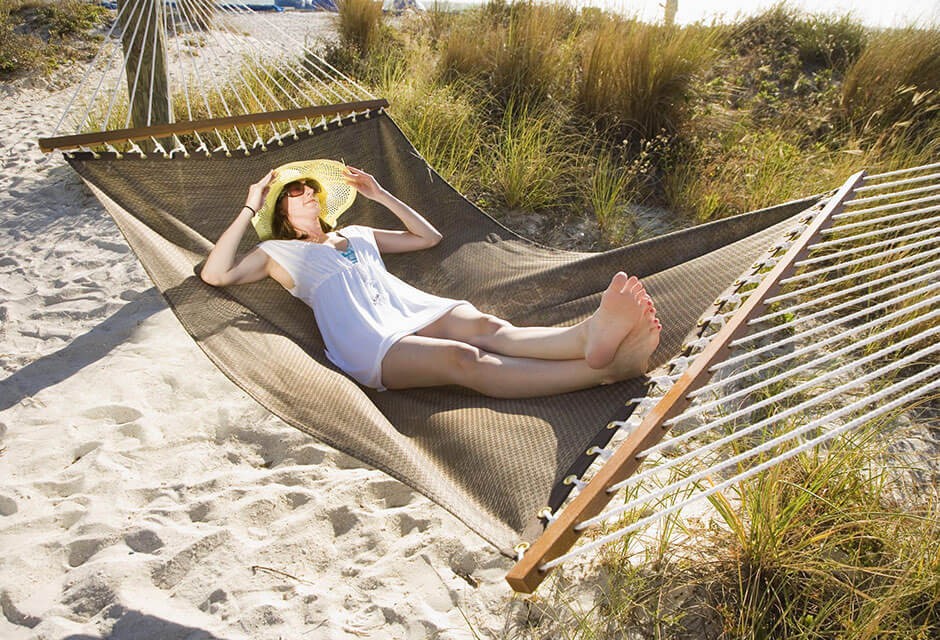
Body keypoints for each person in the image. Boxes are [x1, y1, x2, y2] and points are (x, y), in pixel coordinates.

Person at [200, 161, 661, 398]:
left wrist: (380, 195)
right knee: (464, 359)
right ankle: (598, 371)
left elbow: (426, 237)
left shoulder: (356, 233)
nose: (305, 198)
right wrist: (250, 205)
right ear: (280, 211)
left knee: (487, 328)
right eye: (293, 196)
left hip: (409, 309)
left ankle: (588, 337)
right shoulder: (276, 253)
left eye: (309, 193)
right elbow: (216, 274)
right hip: (369, 338)